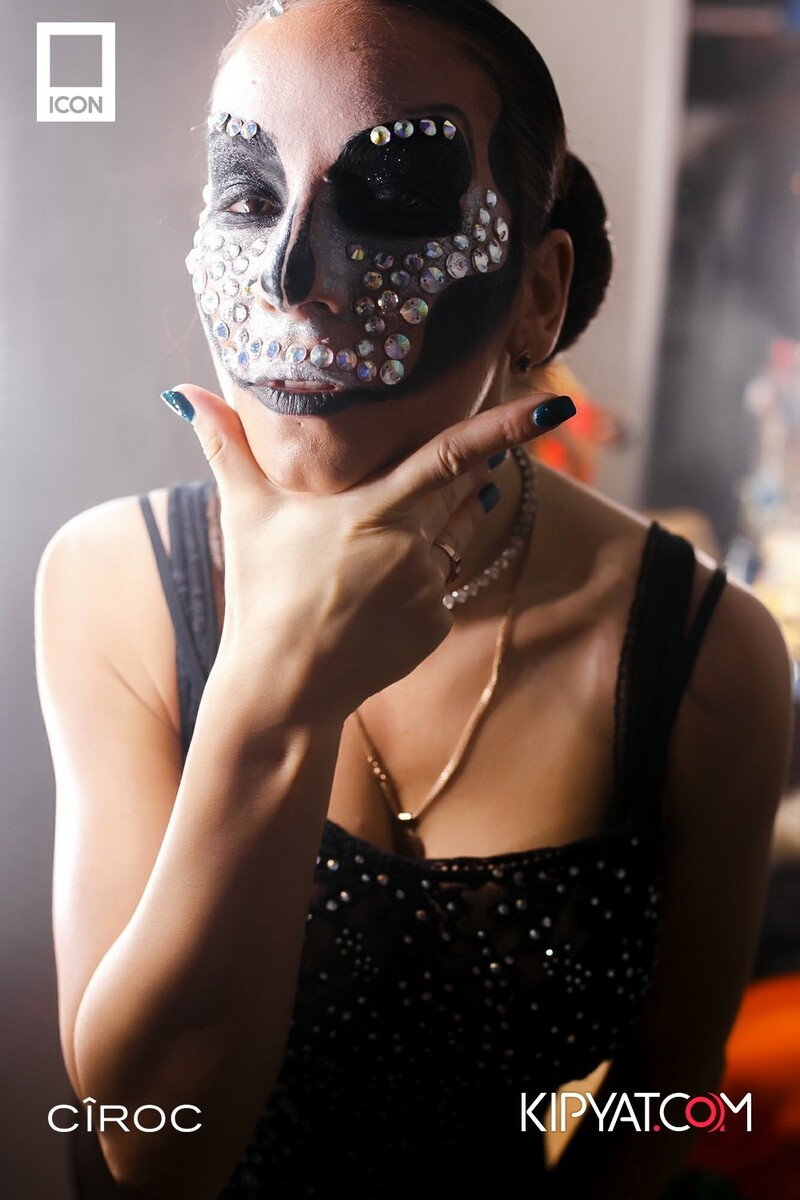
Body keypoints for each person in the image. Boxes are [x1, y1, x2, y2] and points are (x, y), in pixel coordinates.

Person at [33, 1, 796, 1197]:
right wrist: (270, 699)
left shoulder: (706, 656)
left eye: (390, 199)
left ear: (538, 295)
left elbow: (674, 1082)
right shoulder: (109, 586)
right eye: (248, 197)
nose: (290, 276)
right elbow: (150, 1145)